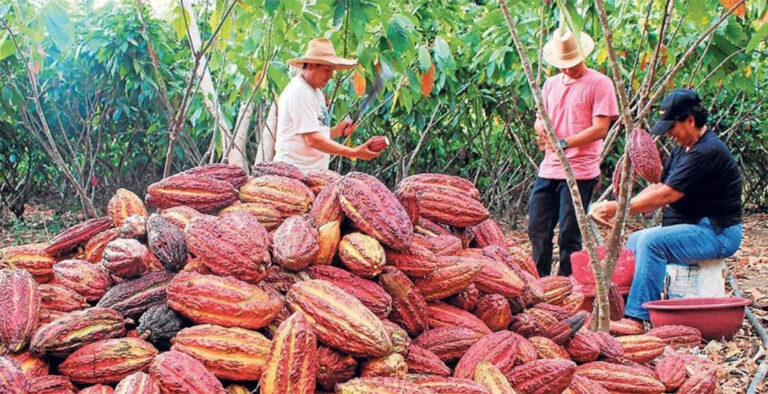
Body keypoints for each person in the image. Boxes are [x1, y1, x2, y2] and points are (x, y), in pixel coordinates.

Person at [590, 89, 742, 322]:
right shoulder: (684, 149)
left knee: (652, 243)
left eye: (672, 127)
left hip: (717, 233)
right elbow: (660, 186)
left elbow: (667, 195)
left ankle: (637, 318)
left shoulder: (706, 151)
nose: (670, 134)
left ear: (690, 121)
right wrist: (619, 205)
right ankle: (621, 307)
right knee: (636, 240)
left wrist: (620, 208)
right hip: (695, 227)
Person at [527, 28, 619, 277]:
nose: (567, 69)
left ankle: (567, 285)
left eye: (572, 63)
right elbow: (539, 119)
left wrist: (564, 143)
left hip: (580, 170)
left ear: (582, 56)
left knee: (569, 233)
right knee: (537, 229)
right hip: (549, 168)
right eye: (562, 65)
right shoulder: (549, 85)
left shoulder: (600, 83)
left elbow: (600, 128)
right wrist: (542, 130)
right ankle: (541, 283)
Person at [262, 38, 381, 172]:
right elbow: (312, 140)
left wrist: (337, 130)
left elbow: (313, 133)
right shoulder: (299, 92)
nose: (331, 76)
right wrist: (353, 152)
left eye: (332, 70)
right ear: (311, 65)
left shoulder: (316, 92)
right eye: (327, 70)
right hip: (293, 173)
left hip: (311, 174)